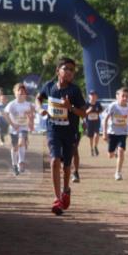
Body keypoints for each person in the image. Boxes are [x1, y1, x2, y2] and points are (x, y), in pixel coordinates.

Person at [38, 59, 87, 214]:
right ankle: (57, 198)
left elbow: (84, 112)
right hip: (53, 129)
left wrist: (70, 107)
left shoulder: (74, 91)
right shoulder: (49, 86)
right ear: (57, 70)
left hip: (70, 131)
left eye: (72, 70)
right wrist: (40, 109)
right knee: (54, 161)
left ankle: (66, 190)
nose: (70, 72)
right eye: (66, 69)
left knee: (66, 167)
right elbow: (38, 98)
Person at [103, 87, 128, 181]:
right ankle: (113, 151)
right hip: (112, 133)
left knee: (121, 151)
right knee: (110, 155)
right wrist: (104, 133)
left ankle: (118, 173)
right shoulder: (113, 106)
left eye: (126, 96)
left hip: (123, 133)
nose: (124, 98)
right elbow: (106, 119)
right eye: (122, 96)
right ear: (117, 96)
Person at [3, 83, 35, 175]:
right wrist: (13, 124)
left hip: (23, 128)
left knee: (21, 143)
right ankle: (14, 165)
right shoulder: (12, 104)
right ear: (15, 93)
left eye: (23, 91)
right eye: (19, 91)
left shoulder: (28, 104)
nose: (21, 93)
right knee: (15, 147)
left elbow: (31, 115)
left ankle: (21, 162)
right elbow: (5, 114)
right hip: (14, 129)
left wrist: (31, 122)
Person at [84, 91, 104, 157]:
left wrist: (98, 111)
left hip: (96, 121)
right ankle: (91, 149)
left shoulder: (98, 104)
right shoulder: (86, 104)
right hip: (89, 122)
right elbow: (84, 113)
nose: (93, 96)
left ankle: (95, 146)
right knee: (91, 137)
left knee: (96, 134)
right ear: (89, 96)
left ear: (96, 97)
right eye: (91, 95)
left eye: (94, 95)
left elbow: (101, 110)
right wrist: (88, 110)